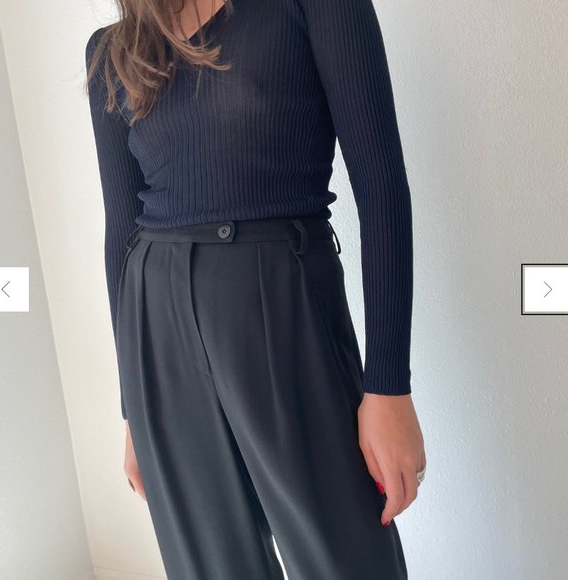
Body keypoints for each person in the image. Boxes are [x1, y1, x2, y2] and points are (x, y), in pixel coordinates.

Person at [85, 0, 426, 578]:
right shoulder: (113, 52)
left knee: (346, 559)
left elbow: (381, 186)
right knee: (212, 565)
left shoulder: (312, 8)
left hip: (283, 308)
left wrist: (389, 387)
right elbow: (122, 227)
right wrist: (132, 412)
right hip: (158, 332)